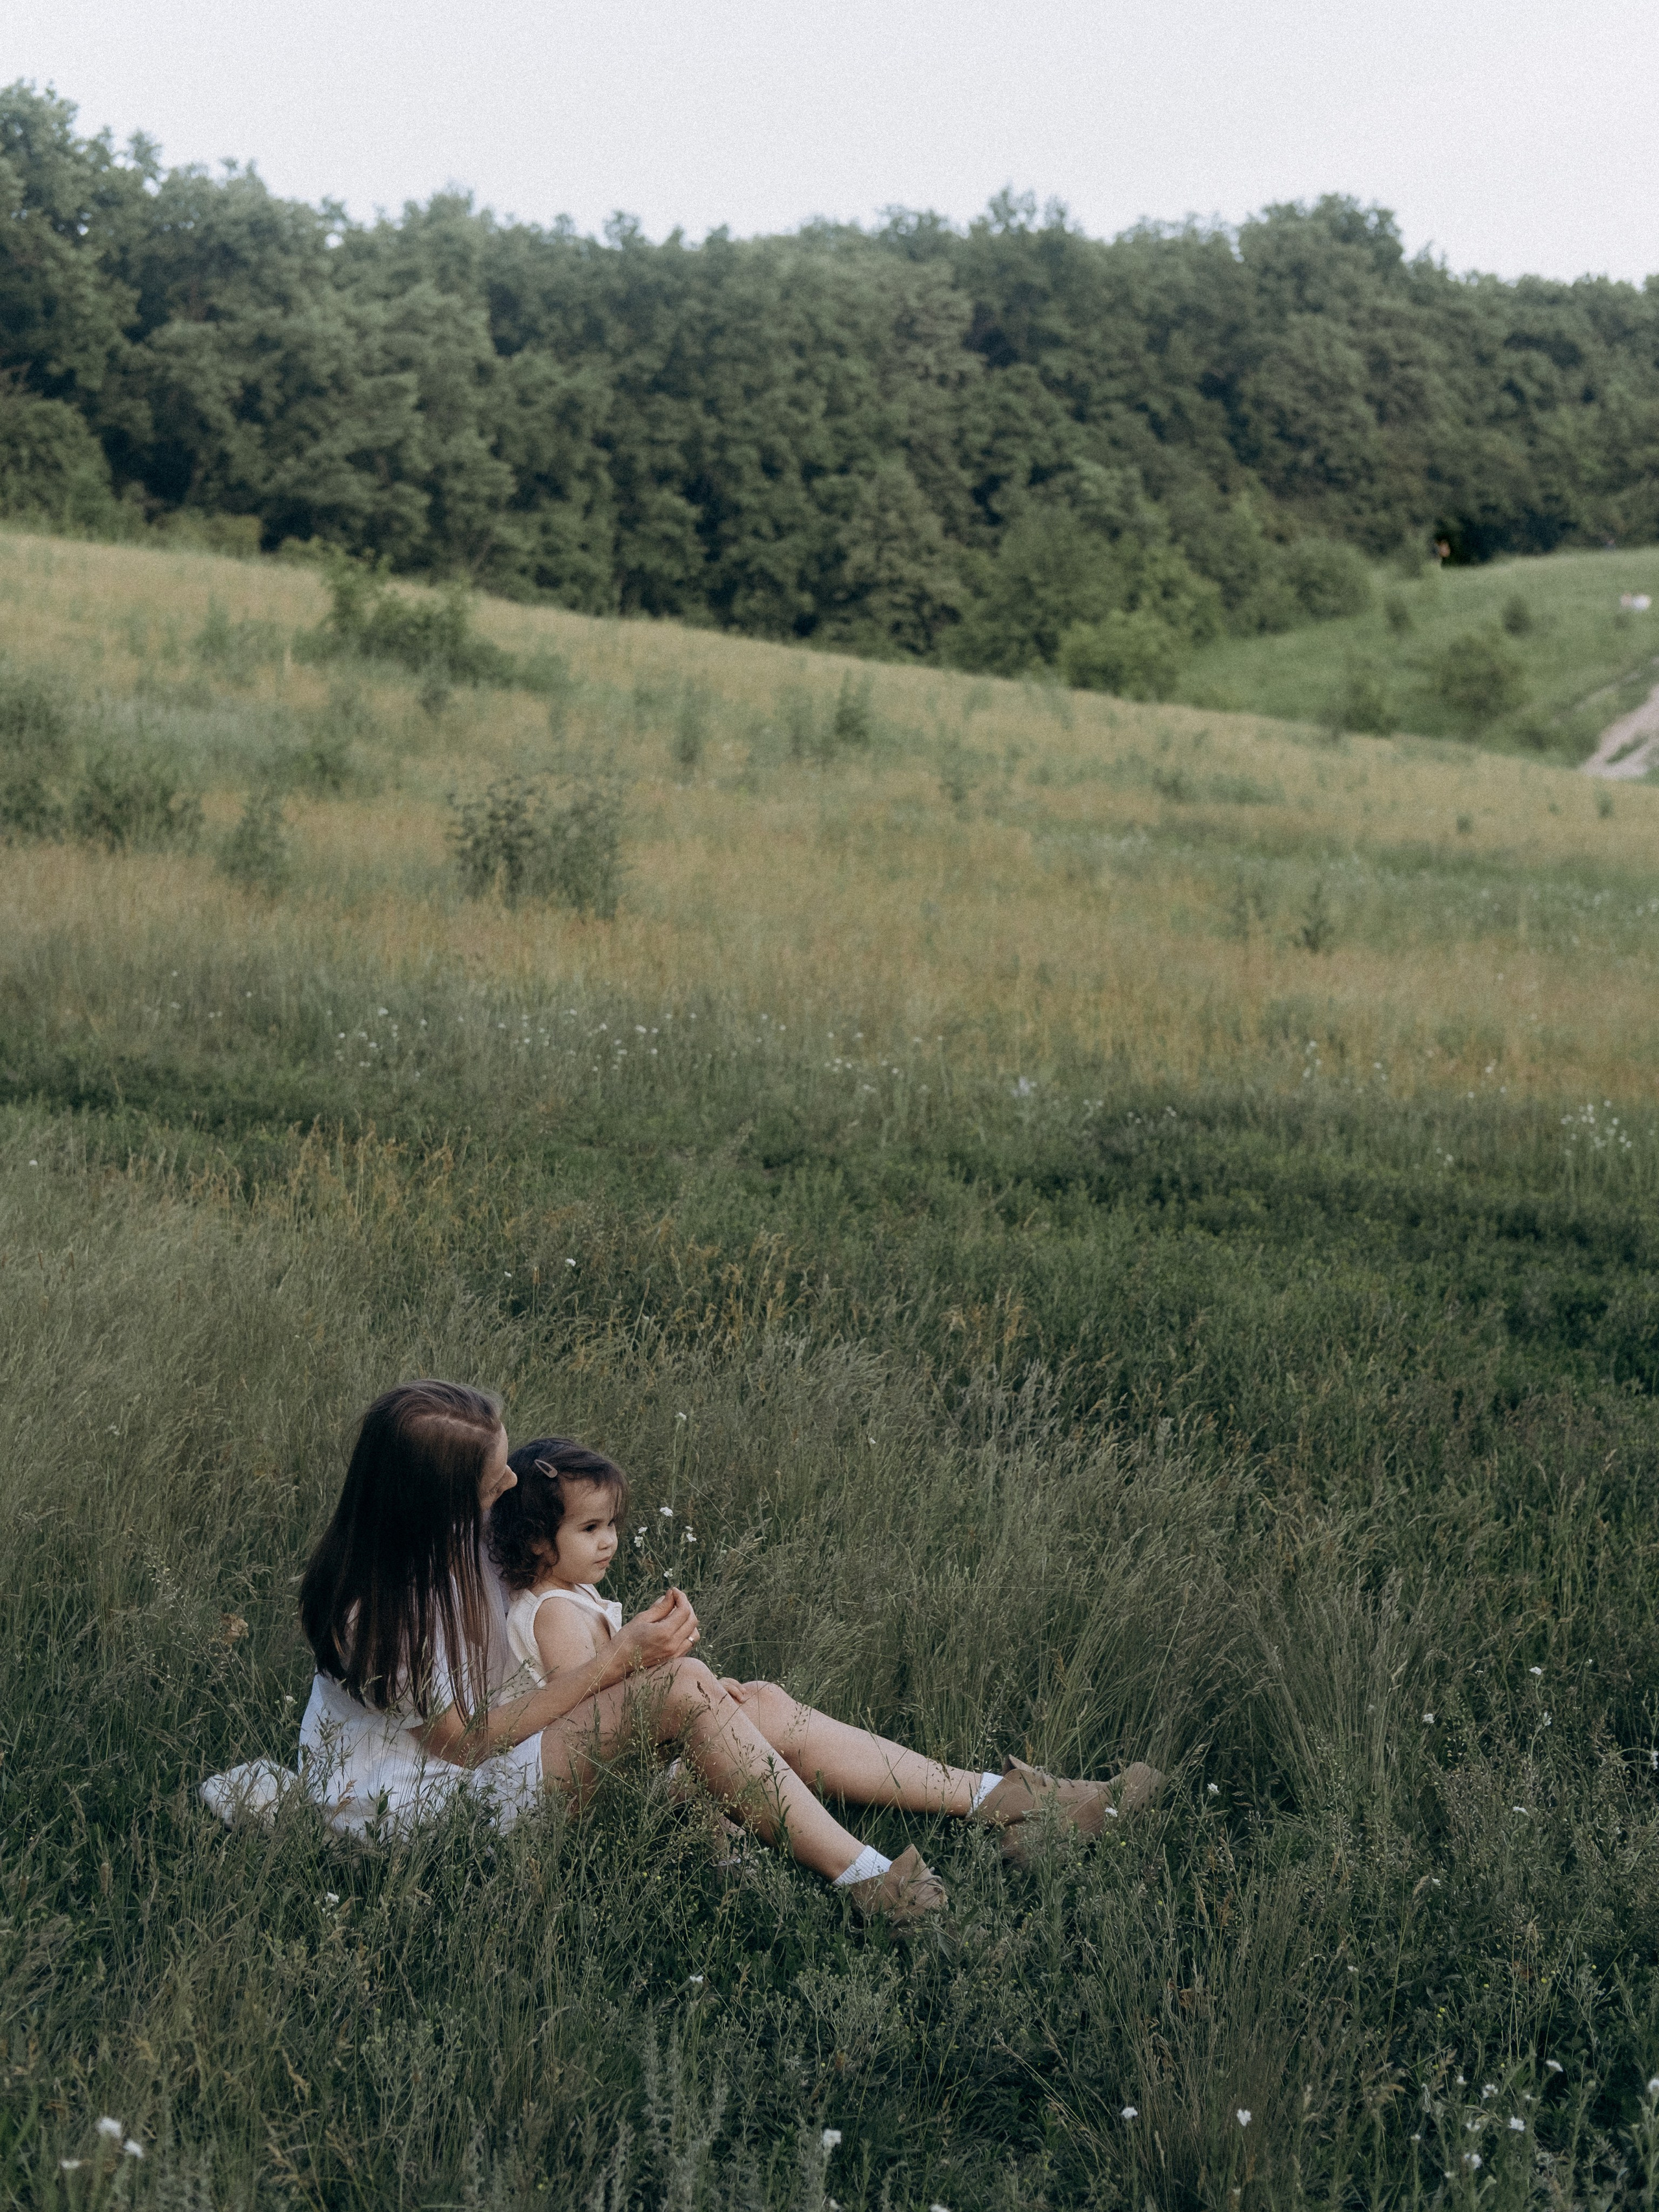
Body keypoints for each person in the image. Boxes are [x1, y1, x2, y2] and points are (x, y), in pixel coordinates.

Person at [296, 1381, 1161, 1925]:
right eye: (494, 1471)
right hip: (421, 1811)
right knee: (675, 1691)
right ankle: (866, 1879)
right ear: (437, 1496)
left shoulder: (461, 1536)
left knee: (762, 1706)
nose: (512, 1481)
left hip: (499, 1756)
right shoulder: (382, 1612)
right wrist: (617, 1661)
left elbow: (537, 1567)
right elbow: (469, 1744)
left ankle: (1009, 1800)